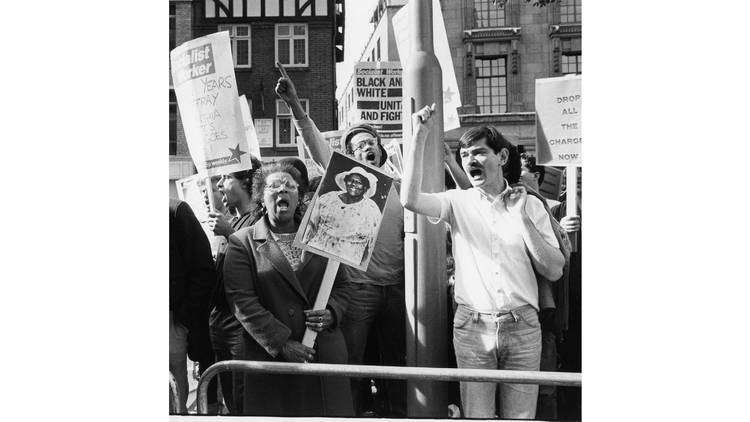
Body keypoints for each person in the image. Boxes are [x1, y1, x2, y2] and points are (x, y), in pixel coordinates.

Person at [401, 105, 565, 419]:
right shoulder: (456, 201)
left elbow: (554, 269)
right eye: (464, 156)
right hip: (472, 329)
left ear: (502, 158)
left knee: (521, 418)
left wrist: (521, 219)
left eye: (478, 153)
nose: (470, 161)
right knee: (477, 417)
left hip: (523, 327)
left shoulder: (530, 204)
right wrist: (419, 135)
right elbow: (409, 200)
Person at [275, 62, 406, 416]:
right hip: (360, 290)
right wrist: (296, 107)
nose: (365, 149)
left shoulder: (400, 183)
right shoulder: (346, 179)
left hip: (396, 290)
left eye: (370, 144)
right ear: (348, 159)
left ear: (380, 149)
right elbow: (316, 143)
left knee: (397, 363)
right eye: (357, 146)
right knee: (355, 364)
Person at [223, 163, 354, 416]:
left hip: (322, 352)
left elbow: (343, 286)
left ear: (299, 196)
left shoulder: (324, 235)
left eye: (289, 186)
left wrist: (332, 311)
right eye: (274, 186)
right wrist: (282, 343)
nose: (282, 190)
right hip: (273, 358)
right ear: (261, 196)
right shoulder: (242, 242)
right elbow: (243, 303)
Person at [206, 160, 260, 415]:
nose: (218, 185)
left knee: (243, 395)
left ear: (247, 182)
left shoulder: (260, 219)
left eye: (226, 177)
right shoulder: (232, 221)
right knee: (229, 393)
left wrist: (230, 234)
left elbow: (264, 261)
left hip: (241, 325)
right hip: (221, 321)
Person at [169, 198, 218, 414]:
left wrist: (183, 319)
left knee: (171, 392)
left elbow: (203, 269)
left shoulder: (175, 211)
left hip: (171, 321)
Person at [302, 166, 382, 267]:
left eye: (359, 182)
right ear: (345, 182)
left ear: (365, 187)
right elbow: (311, 226)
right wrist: (304, 254)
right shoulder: (328, 198)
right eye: (351, 180)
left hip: (348, 263)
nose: (354, 184)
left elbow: (372, 243)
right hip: (316, 255)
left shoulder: (371, 208)